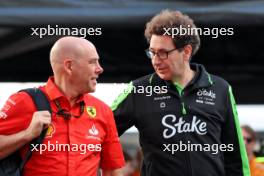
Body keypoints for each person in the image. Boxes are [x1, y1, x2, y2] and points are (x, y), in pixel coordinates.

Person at [111, 9, 250, 176]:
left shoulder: (220, 88)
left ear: (186, 52)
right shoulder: (138, 89)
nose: (155, 61)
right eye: (152, 52)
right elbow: (98, 130)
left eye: (163, 53)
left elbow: (235, 154)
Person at [0, 36, 124, 176]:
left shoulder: (103, 111)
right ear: (69, 66)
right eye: (92, 62)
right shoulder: (25, 101)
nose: (100, 69)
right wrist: (26, 135)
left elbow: (113, 170)